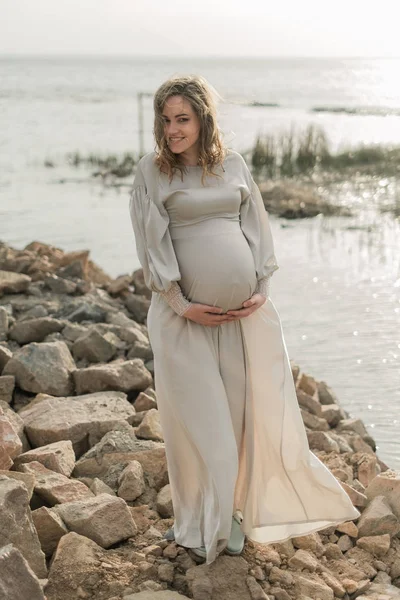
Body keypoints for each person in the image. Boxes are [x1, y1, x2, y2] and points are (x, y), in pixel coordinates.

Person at [128, 74, 360, 566]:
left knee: (238, 426)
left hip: (241, 321)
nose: (172, 129)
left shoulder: (232, 164)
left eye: (183, 119)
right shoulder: (152, 171)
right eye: (166, 120)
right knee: (200, 425)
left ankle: (231, 515)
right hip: (183, 321)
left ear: (204, 118)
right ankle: (199, 519)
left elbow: (256, 228)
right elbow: (150, 243)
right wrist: (180, 303)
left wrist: (260, 290)